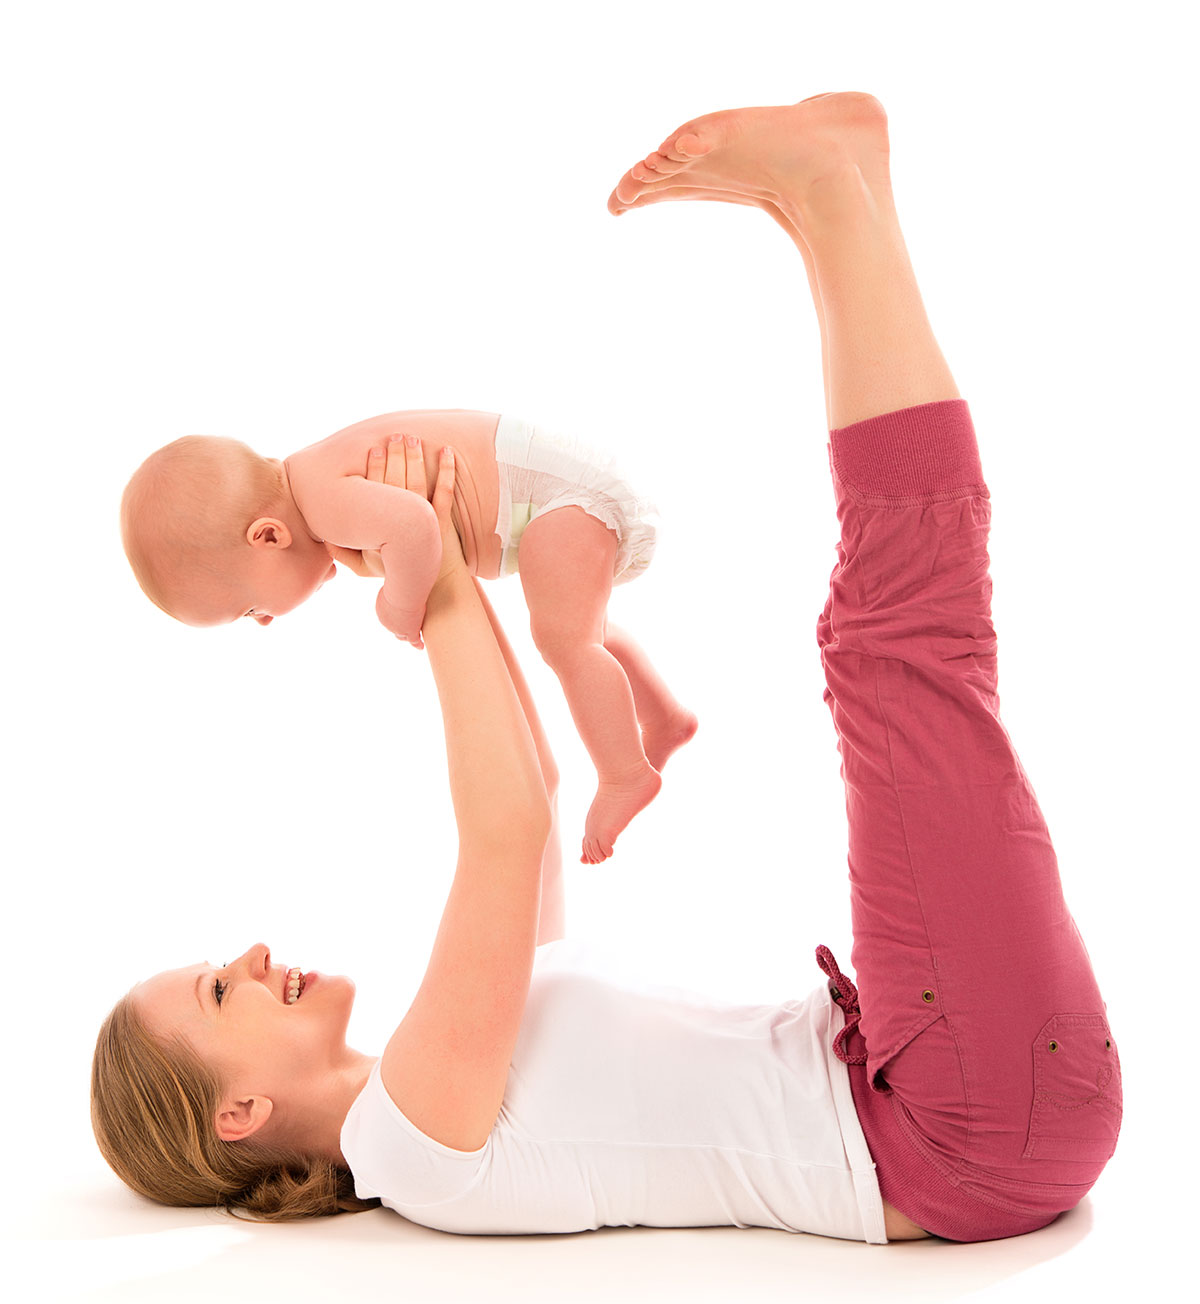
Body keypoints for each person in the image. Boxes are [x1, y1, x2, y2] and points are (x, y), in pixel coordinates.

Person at [92, 91, 1121, 1244]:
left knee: (880, 648)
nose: (252, 954)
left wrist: (449, 561)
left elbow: (529, 788)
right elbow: (507, 833)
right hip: (958, 1127)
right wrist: (423, 580)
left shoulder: (460, 1055)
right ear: (239, 1112)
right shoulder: (409, 1143)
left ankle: (820, 200)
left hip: (926, 1071)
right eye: (220, 989)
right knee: (891, 649)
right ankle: (836, 194)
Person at [120, 410, 694, 863]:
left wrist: (400, 603)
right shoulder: (314, 475)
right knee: (585, 629)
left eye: (248, 609)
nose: (265, 621)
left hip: (554, 498)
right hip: (551, 491)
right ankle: (664, 719)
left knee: (565, 642)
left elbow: (415, 527)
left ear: (268, 537)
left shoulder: (320, 498)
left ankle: (624, 773)